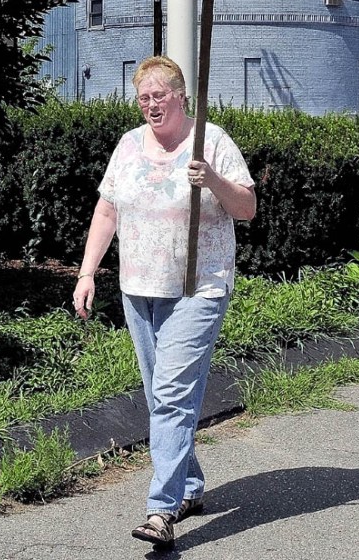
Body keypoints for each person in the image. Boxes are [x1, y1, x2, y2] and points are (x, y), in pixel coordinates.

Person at [73, 55, 256, 550]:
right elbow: (107, 209)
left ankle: (161, 509)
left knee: (172, 396)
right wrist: (88, 272)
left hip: (198, 287)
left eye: (159, 95)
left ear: (182, 96)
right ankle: (190, 486)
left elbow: (247, 208)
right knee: (161, 396)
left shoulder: (211, 141)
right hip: (139, 286)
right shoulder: (129, 146)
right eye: (143, 98)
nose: (151, 105)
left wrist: (211, 180)